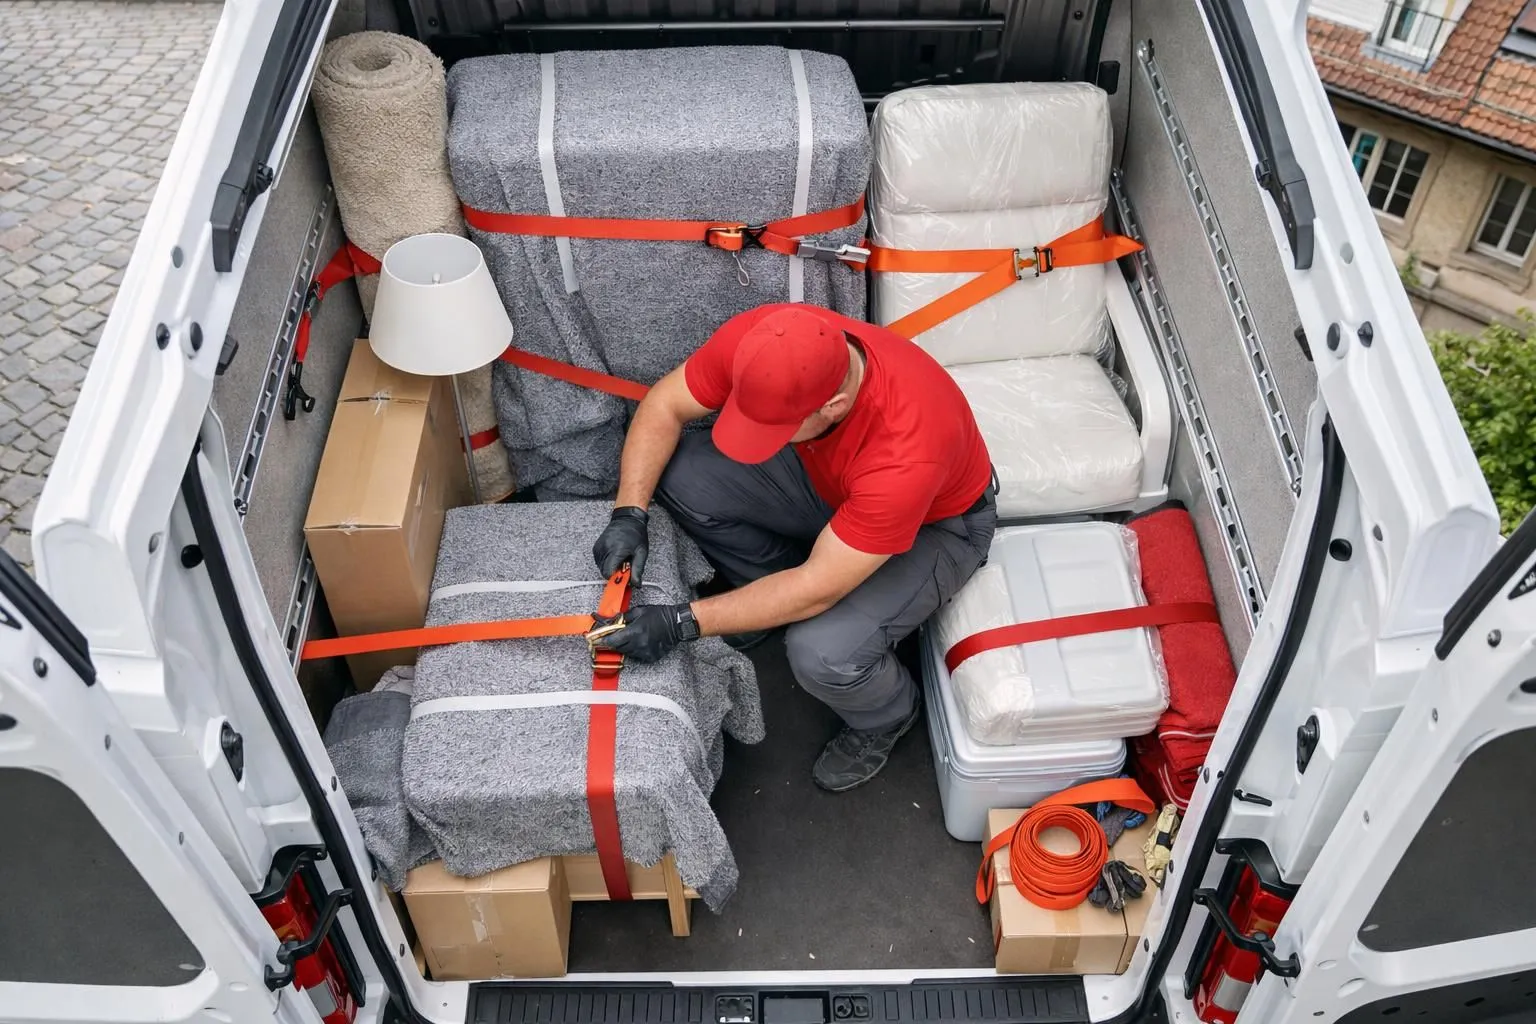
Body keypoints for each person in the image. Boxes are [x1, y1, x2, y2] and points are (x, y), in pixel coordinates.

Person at [591, 302, 997, 791]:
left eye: (771, 428)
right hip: (833, 482)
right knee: (682, 475)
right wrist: (629, 513)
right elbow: (666, 405)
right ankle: (764, 594)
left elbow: (815, 588)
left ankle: (887, 714)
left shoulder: (906, 450)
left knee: (821, 651)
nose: (751, 436)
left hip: (939, 526)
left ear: (834, 407)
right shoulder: (771, 340)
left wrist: (684, 621)